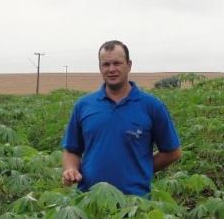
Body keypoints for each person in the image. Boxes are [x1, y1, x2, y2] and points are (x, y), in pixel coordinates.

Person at [62, 40, 182, 196]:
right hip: (88, 200)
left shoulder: (152, 106)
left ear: (129, 65)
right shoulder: (84, 106)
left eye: (117, 63)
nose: (111, 69)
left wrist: (142, 169)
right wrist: (71, 168)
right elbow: (72, 149)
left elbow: (173, 152)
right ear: (100, 68)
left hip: (134, 203)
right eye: (106, 64)